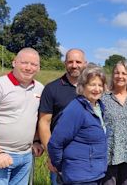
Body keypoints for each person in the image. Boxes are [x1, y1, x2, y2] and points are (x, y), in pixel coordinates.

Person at [48, 64, 107, 185]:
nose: (97, 89)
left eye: (100, 85)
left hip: (95, 174)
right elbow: (55, 143)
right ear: (83, 86)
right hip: (80, 176)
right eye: (92, 84)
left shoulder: (98, 107)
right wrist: (61, 165)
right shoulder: (76, 109)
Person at [0, 48, 44, 184]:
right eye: (24, 63)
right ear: (14, 62)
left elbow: (35, 118)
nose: (28, 68)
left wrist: (36, 141)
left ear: (38, 68)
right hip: (0, 156)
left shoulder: (40, 88)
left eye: (33, 64)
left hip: (26, 157)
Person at [38, 48, 87, 185]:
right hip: (61, 155)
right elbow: (44, 122)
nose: (74, 65)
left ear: (85, 64)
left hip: (87, 156)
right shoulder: (52, 88)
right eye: (70, 61)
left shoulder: (93, 88)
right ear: (65, 63)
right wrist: (52, 155)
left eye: (78, 61)